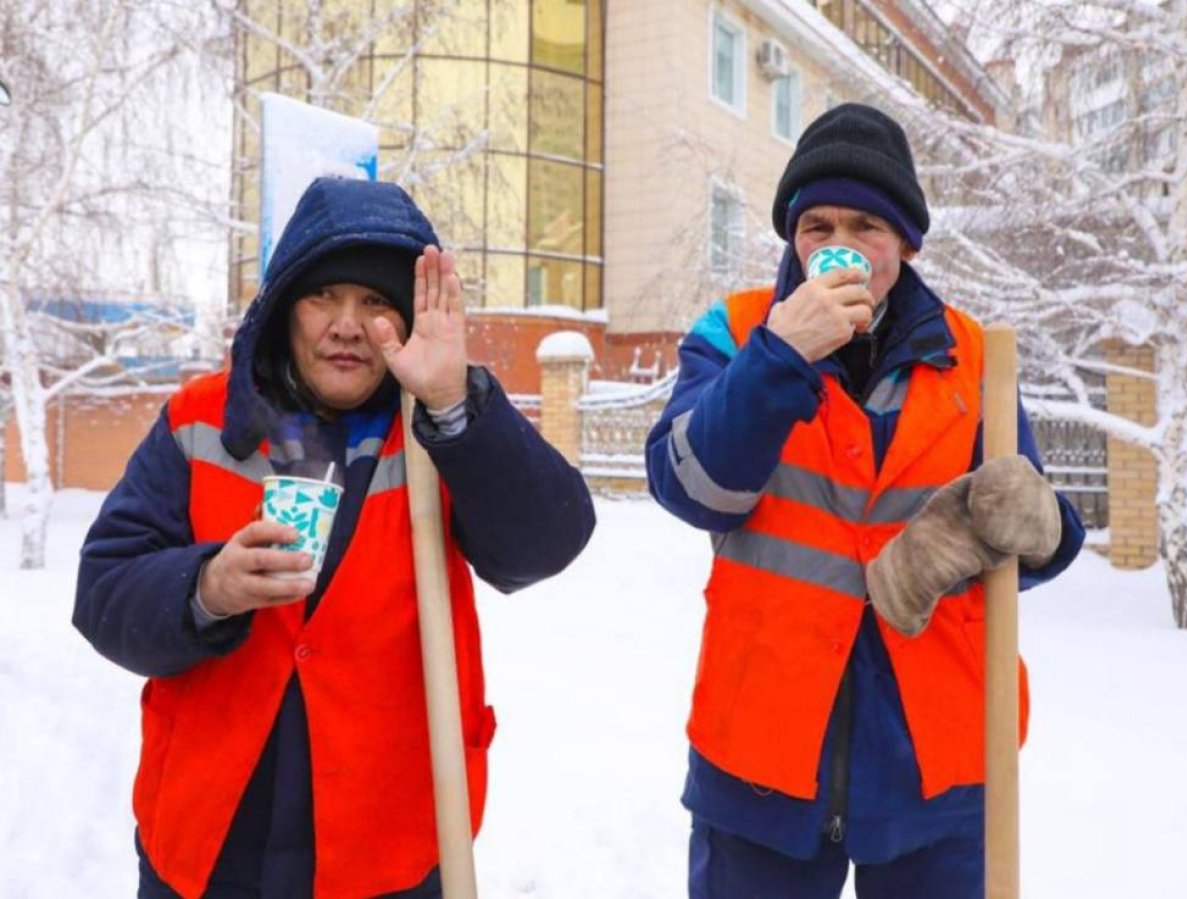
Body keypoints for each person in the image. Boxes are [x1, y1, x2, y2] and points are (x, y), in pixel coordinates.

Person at [74, 176, 596, 899]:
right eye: (325, 296)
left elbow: (547, 542)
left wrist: (453, 406)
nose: (348, 325)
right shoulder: (199, 420)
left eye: (376, 302)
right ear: (286, 306)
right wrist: (206, 588)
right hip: (206, 846)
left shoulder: (442, 424)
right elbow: (102, 594)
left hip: (388, 850)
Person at [645, 103, 1085, 899]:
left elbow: (1026, 534)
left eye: (865, 225)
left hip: (938, 766)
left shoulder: (974, 359)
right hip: (761, 763)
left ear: (904, 244)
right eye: (816, 224)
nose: (838, 243)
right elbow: (690, 485)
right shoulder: (736, 332)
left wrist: (1045, 526)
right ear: (792, 237)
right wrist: (781, 357)